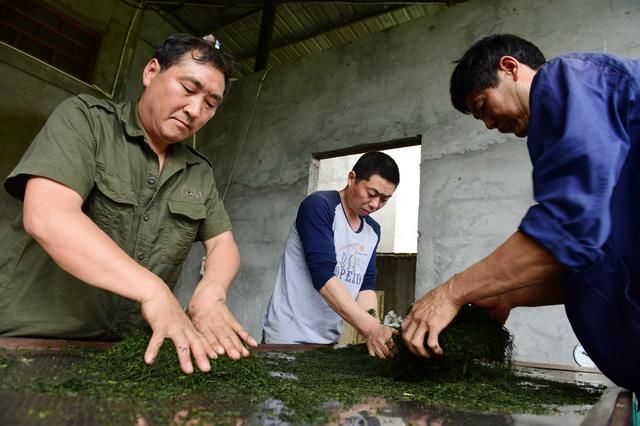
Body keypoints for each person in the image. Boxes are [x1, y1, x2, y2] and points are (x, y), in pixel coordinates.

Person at [0, 33, 257, 374]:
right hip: (33, 341)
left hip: (129, 351)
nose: (195, 110)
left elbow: (223, 243)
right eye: (188, 88)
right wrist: (153, 291)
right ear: (151, 72)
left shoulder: (198, 171)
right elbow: (47, 215)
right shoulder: (87, 121)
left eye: (210, 104)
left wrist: (212, 291)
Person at [401, 34, 640, 397]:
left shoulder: (567, 79)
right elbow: (595, 261)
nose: (488, 124)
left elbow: (567, 230)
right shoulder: (551, 137)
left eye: (483, 106)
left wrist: (450, 294)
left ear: (510, 67)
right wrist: (509, 296)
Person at [262, 152, 400, 358]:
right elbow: (323, 276)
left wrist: (376, 328)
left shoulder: (373, 230)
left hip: (328, 341)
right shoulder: (320, 206)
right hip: (287, 337)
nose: (375, 204)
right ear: (351, 178)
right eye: (371, 193)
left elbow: (365, 285)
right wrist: (370, 328)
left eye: (384, 199)